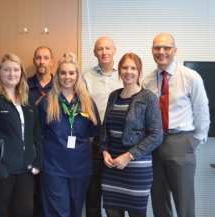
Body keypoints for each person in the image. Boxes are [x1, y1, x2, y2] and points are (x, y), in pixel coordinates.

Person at [142, 33, 210, 217]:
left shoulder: (190, 77)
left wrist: (194, 142)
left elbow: (202, 112)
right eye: (157, 48)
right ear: (152, 51)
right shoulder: (147, 81)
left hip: (180, 141)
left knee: (184, 202)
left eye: (166, 48)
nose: (161, 51)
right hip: (154, 144)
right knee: (159, 200)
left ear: (175, 50)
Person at [0, 53, 43, 217]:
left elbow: (35, 131)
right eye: (7, 70)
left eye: (16, 70)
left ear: (21, 73)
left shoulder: (27, 99)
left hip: (25, 169)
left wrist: (37, 161)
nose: (12, 74)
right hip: (0, 169)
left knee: (25, 212)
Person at [37, 52, 101, 217]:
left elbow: (92, 134)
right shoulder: (46, 102)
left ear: (77, 75)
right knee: (58, 212)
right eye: (63, 73)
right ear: (57, 75)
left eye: (71, 73)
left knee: (75, 211)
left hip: (80, 166)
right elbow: (40, 134)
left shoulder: (87, 101)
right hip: (53, 167)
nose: (67, 77)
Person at [99, 53, 163, 217]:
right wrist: (104, 151)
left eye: (133, 68)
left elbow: (156, 135)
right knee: (112, 212)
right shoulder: (114, 96)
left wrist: (129, 156)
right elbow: (105, 128)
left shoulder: (148, 97)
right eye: (125, 67)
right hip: (112, 166)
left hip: (137, 168)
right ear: (119, 70)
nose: (129, 71)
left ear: (139, 71)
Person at [82, 36, 123, 217]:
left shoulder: (126, 74)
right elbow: (82, 109)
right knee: (93, 192)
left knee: (119, 193)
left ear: (115, 50)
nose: (104, 52)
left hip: (120, 141)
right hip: (95, 140)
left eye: (107, 48)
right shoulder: (86, 78)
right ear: (94, 53)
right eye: (100, 49)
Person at [26, 46, 54, 216]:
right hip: (29, 146)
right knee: (29, 191)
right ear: (34, 60)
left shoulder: (60, 86)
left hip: (52, 148)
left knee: (49, 190)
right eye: (38, 58)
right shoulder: (23, 85)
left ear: (52, 61)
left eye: (45, 58)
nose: (41, 61)